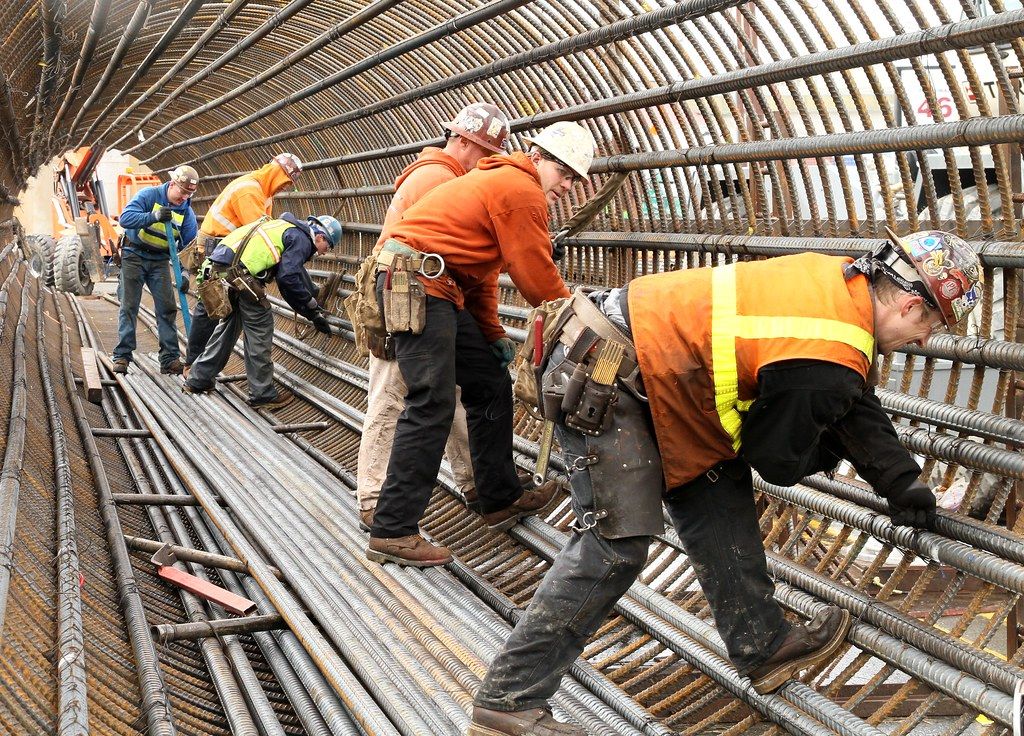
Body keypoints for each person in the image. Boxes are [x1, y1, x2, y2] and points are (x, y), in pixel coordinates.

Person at [468, 229, 983, 735]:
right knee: (614, 547)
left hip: (655, 374)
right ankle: (509, 698)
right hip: (607, 369)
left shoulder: (838, 287)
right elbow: (778, 457)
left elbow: (849, 396)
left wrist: (901, 482)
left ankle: (762, 645)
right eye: (932, 325)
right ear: (913, 306)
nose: (924, 341)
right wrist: (826, 452)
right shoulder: (831, 347)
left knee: (713, 476)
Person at [364, 120, 597, 568]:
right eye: (565, 173)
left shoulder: (500, 183)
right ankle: (392, 529)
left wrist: (490, 335)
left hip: (438, 286)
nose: (568, 186)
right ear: (539, 157)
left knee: (490, 383)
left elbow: (483, 275)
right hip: (416, 283)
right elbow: (535, 273)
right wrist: (576, 323)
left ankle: (499, 496)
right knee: (430, 401)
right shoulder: (519, 187)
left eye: (574, 180)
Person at [357, 102, 516, 531]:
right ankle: (374, 501)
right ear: (462, 141)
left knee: (446, 394)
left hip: (421, 296)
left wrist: (488, 329)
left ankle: (474, 483)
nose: (488, 164)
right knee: (394, 395)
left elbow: (470, 266)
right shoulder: (438, 177)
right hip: (405, 295)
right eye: (485, 153)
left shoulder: (449, 176)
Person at [183, 212, 341, 408]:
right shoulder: (301, 239)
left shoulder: (284, 227)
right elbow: (287, 279)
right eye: (329, 246)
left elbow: (295, 271)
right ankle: (262, 394)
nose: (325, 252)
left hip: (222, 272)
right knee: (260, 328)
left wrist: (310, 300)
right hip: (240, 277)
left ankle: (199, 379)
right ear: (320, 236)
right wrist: (312, 312)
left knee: (228, 328)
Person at [183, 152, 302, 378]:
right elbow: (259, 233)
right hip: (216, 251)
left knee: (225, 309)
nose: (285, 188)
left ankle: (202, 368)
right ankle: (192, 364)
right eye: (285, 181)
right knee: (210, 306)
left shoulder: (265, 193)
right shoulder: (249, 191)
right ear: (276, 173)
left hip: (228, 253)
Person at [112, 165, 199, 375]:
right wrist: (154, 215)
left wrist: (186, 274)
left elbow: (189, 248)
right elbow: (125, 218)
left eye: (189, 194)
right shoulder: (149, 195)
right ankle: (122, 356)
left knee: (167, 308)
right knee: (129, 305)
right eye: (182, 191)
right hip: (134, 255)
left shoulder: (186, 212)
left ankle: (169, 359)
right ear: (172, 184)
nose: (184, 197)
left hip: (159, 261)